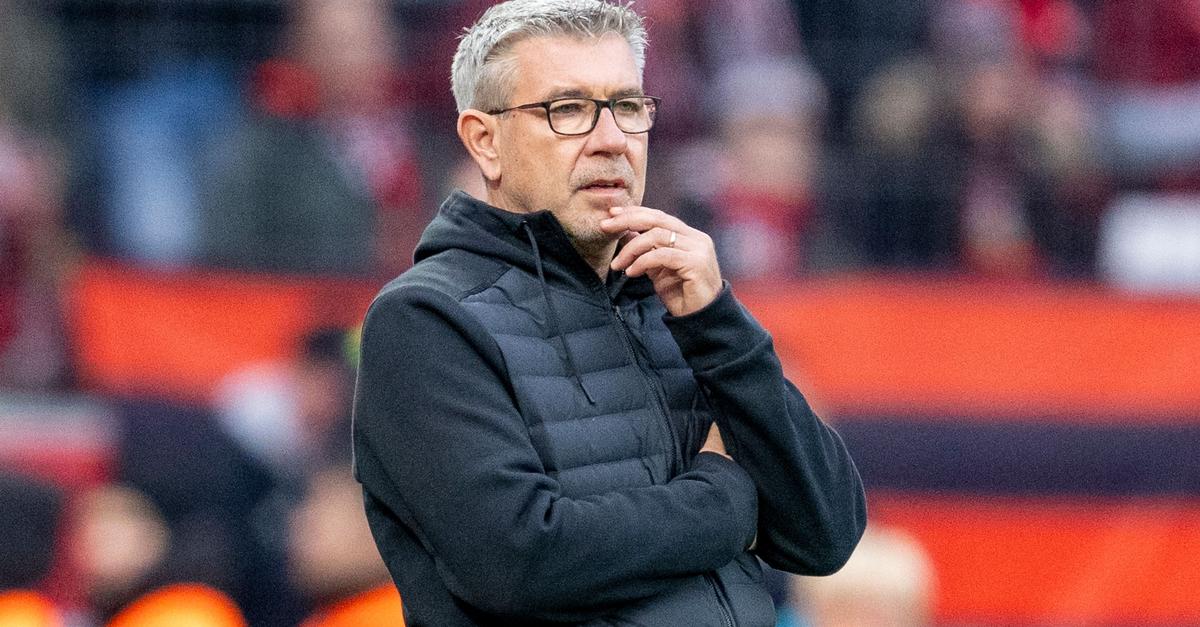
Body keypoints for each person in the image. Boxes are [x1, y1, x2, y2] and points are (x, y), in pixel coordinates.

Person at [351, 1, 867, 625]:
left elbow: (827, 533)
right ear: (485, 142)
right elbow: (520, 562)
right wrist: (726, 497)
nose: (612, 140)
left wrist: (720, 325)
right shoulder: (424, 319)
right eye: (568, 110)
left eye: (627, 106)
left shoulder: (681, 300)